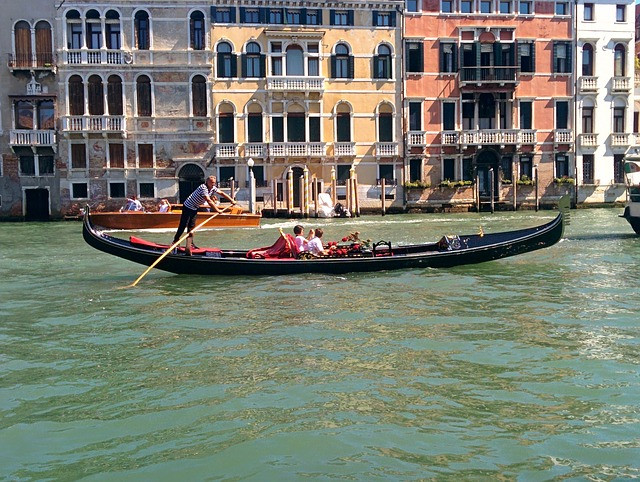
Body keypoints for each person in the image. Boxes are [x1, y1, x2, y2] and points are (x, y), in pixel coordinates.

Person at [173, 176, 236, 255]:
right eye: (211, 182)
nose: (213, 184)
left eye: (214, 183)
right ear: (207, 181)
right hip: (188, 206)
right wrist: (218, 210)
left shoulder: (213, 188)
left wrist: (231, 200)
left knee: (191, 227)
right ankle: (175, 240)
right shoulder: (203, 188)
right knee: (183, 225)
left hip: (195, 208)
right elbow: (209, 200)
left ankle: (189, 245)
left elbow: (222, 193)